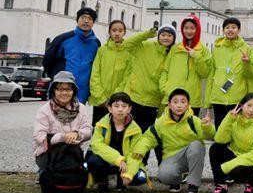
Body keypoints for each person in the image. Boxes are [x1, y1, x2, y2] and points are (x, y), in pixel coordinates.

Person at [132, 87, 214, 193]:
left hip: (190, 155)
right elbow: (148, 137)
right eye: (175, 102)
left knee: (197, 145)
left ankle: (193, 186)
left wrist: (207, 127)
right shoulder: (162, 122)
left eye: (183, 102)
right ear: (169, 105)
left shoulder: (193, 120)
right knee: (164, 176)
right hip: (172, 157)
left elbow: (211, 135)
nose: (179, 105)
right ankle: (177, 181)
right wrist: (140, 150)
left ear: (188, 104)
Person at [125, 24, 175, 163]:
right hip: (135, 96)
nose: (166, 38)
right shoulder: (145, 46)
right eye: (163, 34)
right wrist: (146, 34)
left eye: (170, 35)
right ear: (158, 36)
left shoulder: (172, 55)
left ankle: (142, 164)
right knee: (133, 133)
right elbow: (127, 45)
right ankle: (131, 164)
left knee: (148, 135)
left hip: (153, 101)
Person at [89, 21, 156, 125]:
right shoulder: (102, 51)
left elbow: (127, 77)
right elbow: (95, 74)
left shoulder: (129, 52)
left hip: (118, 103)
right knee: (99, 129)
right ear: (109, 32)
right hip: (100, 102)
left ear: (124, 32)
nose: (117, 33)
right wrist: (100, 98)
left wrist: (115, 98)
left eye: (120, 31)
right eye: (114, 30)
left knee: (117, 130)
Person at [208, 93, 253, 193]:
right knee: (215, 148)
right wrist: (229, 119)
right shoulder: (234, 122)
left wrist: (230, 165)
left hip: (251, 165)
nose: (251, 110)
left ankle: (251, 182)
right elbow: (220, 139)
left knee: (238, 170)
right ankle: (221, 187)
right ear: (241, 105)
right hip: (235, 158)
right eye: (248, 105)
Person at [86, 92, 147, 193]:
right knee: (93, 161)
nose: (120, 109)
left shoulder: (136, 130)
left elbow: (134, 154)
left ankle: (121, 181)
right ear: (110, 108)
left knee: (140, 178)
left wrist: (129, 173)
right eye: (116, 106)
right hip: (108, 160)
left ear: (129, 109)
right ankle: (102, 182)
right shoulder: (101, 125)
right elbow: (97, 145)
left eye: (124, 106)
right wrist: (118, 160)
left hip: (126, 163)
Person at [33, 71, 92, 171]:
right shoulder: (44, 110)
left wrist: (77, 134)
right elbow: (38, 136)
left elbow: (88, 130)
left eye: (68, 89)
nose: (64, 93)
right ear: (53, 91)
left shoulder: (81, 108)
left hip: (72, 151)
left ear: (73, 91)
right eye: (60, 89)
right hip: (48, 152)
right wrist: (62, 137)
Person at [44, 7, 101, 104]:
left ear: (93, 23)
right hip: (62, 92)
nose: (86, 21)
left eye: (90, 18)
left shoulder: (96, 44)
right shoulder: (63, 39)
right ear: (77, 20)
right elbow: (47, 61)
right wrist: (57, 77)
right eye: (83, 17)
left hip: (83, 94)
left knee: (78, 118)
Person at [205, 17, 253, 128]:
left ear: (239, 30)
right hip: (219, 97)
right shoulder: (217, 48)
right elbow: (212, 73)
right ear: (223, 30)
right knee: (220, 128)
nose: (230, 30)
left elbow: (250, 75)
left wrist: (247, 63)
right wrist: (208, 101)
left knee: (235, 130)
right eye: (227, 27)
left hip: (237, 97)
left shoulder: (246, 48)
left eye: (233, 27)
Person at [160, 15, 212, 115]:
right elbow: (165, 70)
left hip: (192, 100)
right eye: (186, 28)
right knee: (169, 129)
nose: (189, 31)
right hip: (172, 97)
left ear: (198, 30)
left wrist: (197, 57)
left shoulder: (203, 50)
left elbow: (204, 73)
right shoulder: (175, 48)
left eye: (192, 28)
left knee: (189, 130)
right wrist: (164, 88)